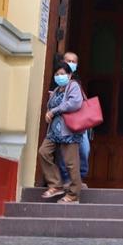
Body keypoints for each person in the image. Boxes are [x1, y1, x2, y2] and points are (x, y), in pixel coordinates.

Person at [38, 62, 84, 204]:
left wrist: (54, 111)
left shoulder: (73, 86)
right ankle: (56, 184)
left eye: (62, 73)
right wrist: (49, 112)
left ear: (69, 75)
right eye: (57, 74)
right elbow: (52, 106)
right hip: (54, 132)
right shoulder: (57, 89)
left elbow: (75, 103)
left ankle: (73, 194)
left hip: (68, 131)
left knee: (71, 163)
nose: (59, 76)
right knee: (43, 152)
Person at [56, 51, 91, 188]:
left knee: (84, 149)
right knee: (63, 150)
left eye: (73, 61)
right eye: (68, 60)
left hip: (80, 122)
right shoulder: (57, 78)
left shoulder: (76, 80)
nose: (71, 63)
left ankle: (79, 179)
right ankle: (66, 179)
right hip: (63, 121)